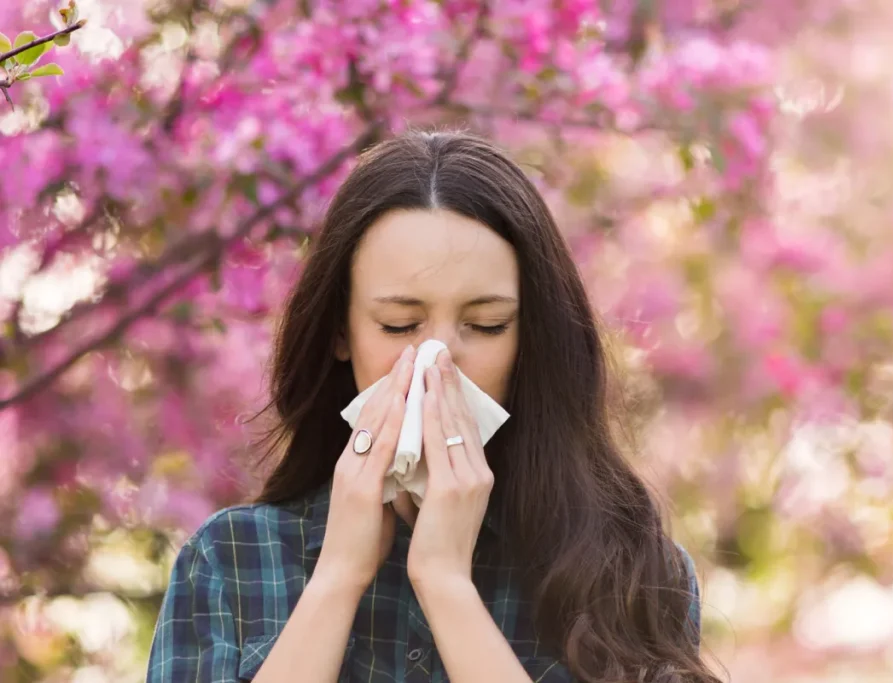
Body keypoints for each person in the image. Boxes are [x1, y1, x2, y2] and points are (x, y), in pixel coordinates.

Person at [145, 131, 719, 683]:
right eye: (400, 324)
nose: (439, 360)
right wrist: (338, 577)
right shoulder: (230, 561)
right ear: (340, 332)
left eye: (486, 325)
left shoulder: (629, 574)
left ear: (530, 338)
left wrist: (446, 585)